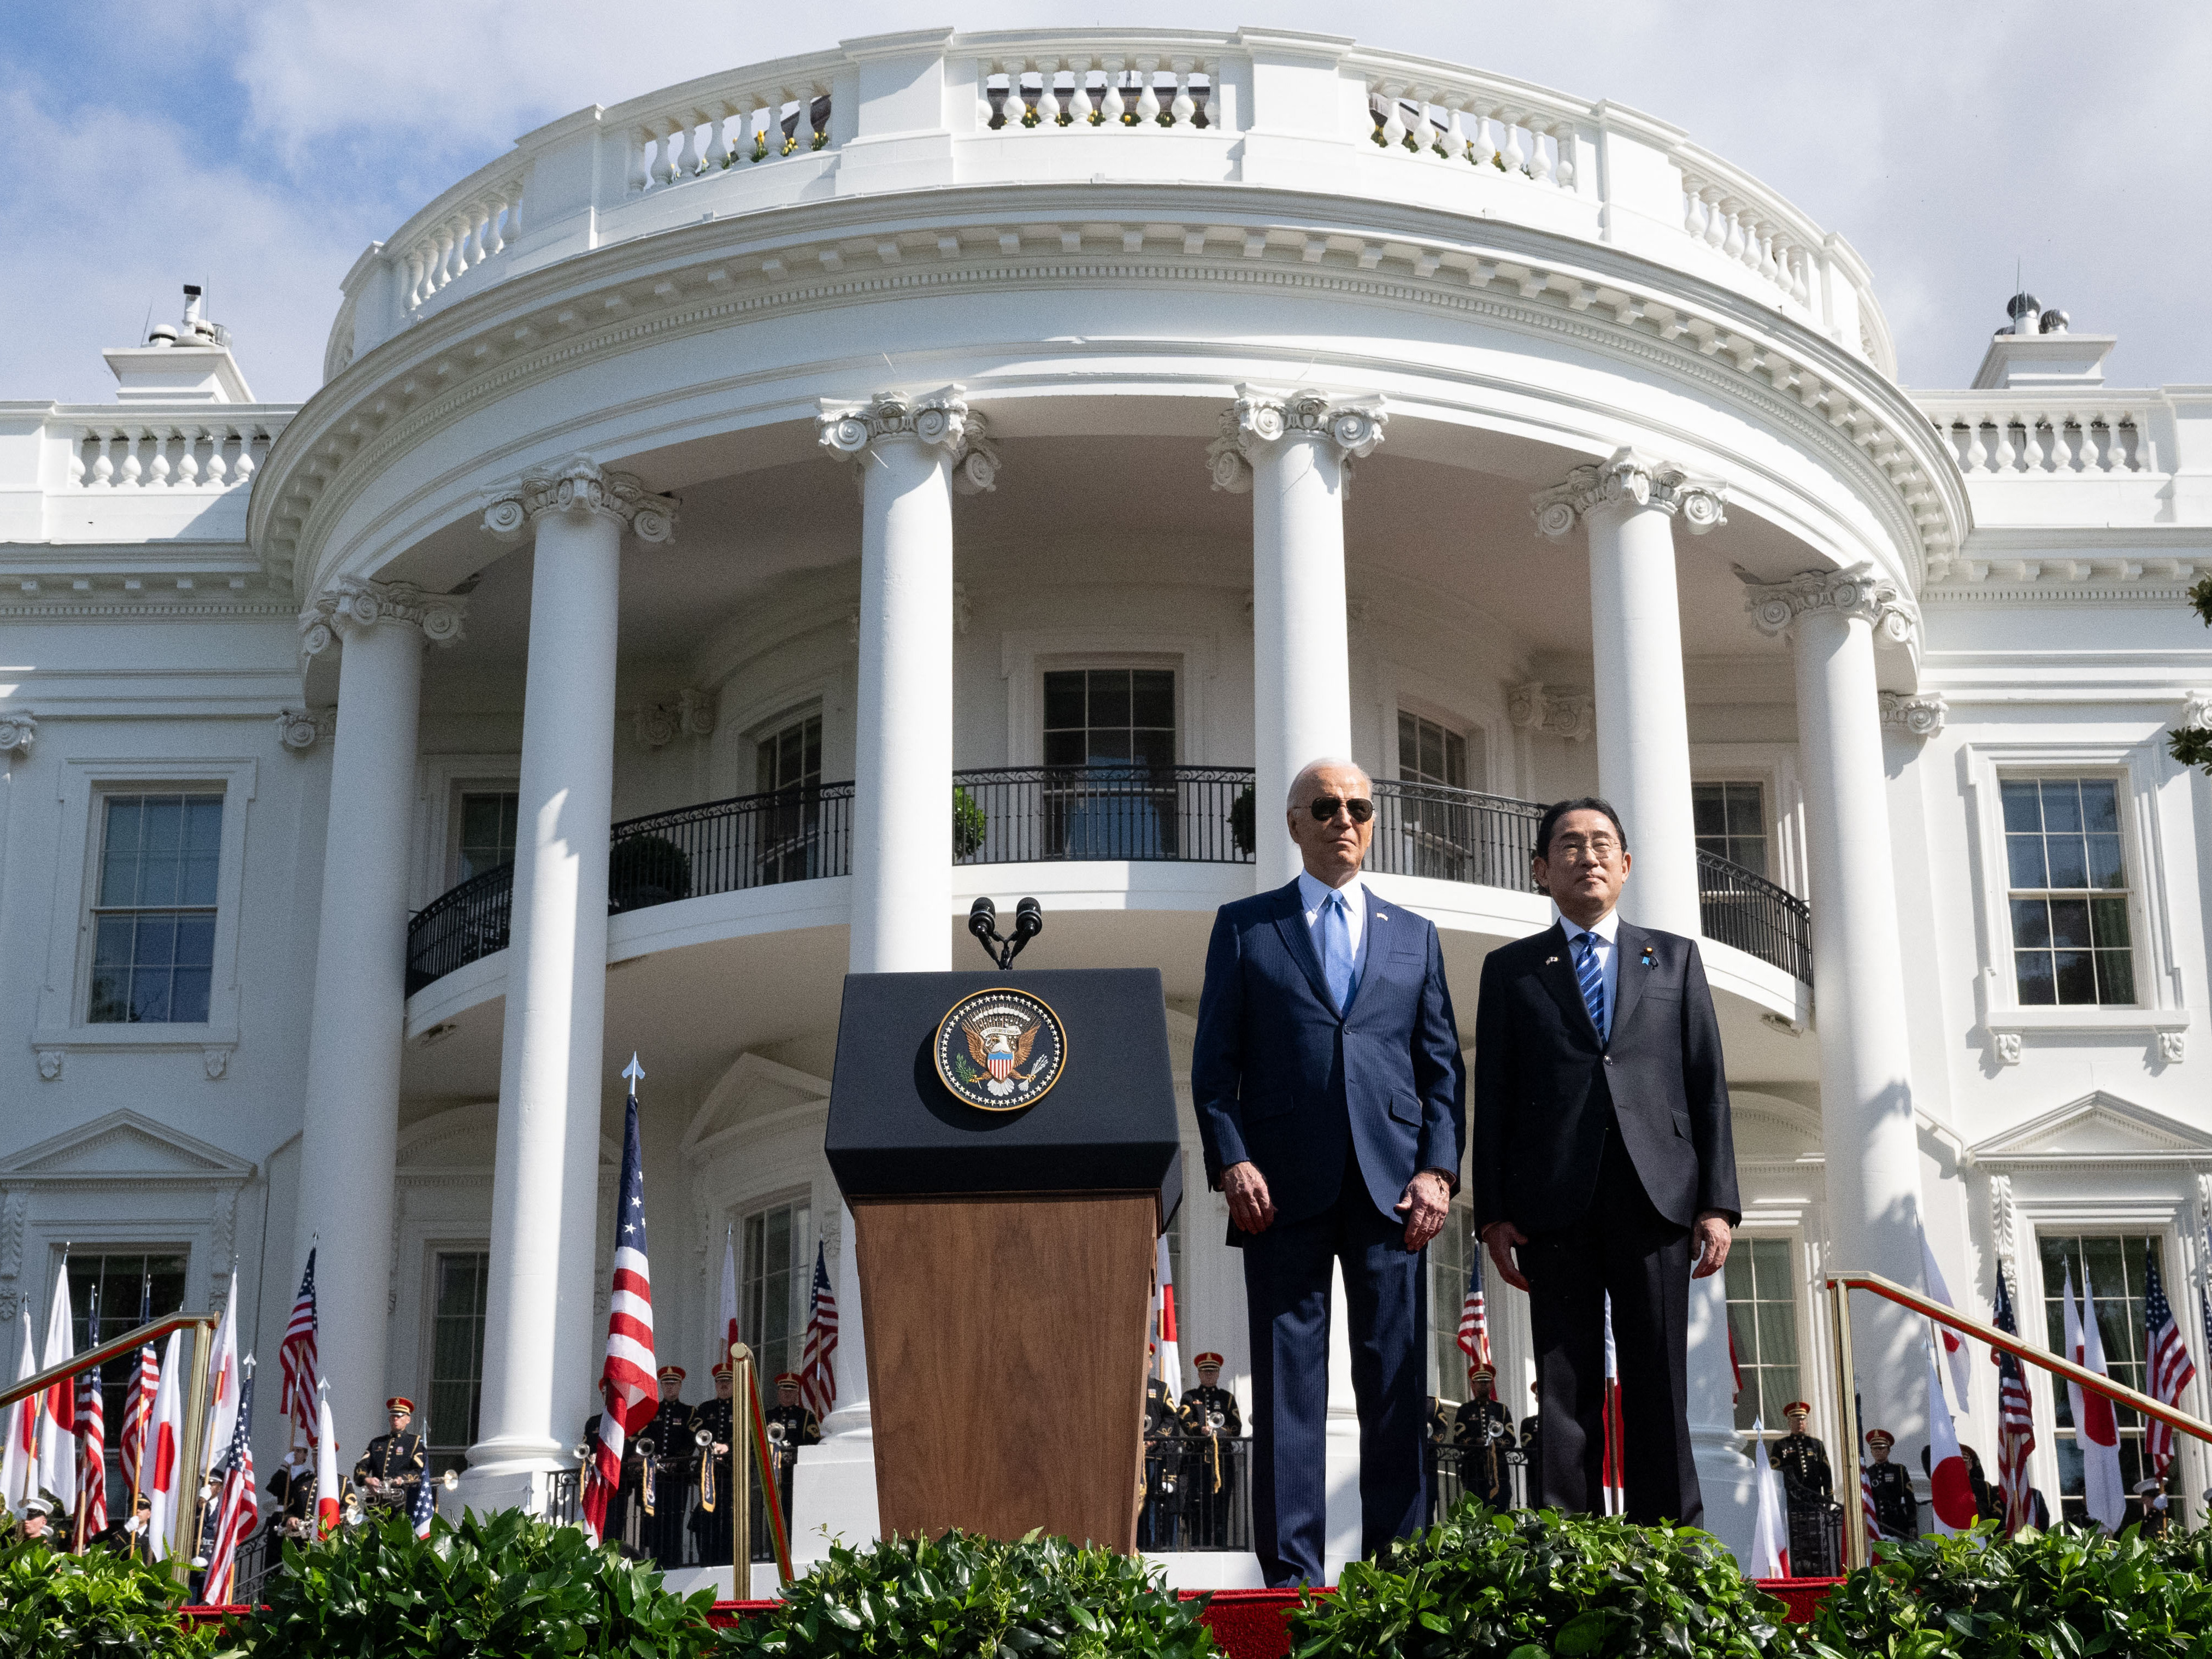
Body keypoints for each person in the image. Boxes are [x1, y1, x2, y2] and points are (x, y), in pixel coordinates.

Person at [1192, 757, 1467, 1586]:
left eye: (1357, 807)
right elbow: (1215, 1069)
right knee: (1287, 1389)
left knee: (1394, 1382)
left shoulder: (1413, 934)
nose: (1342, 819)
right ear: (1295, 824)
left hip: (1393, 1191)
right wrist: (1233, 1157)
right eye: (1324, 807)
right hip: (1279, 1189)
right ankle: (1290, 1577)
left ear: (1371, 820)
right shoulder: (1246, 926)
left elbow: (1441, 1069)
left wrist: (1439, 1172)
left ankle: (1398, 1574)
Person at [1473, 797, 1739, 1525]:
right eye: (1567, 845)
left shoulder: (1674, 958)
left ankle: (1671, 1546)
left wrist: (1717, 1203)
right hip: (1551, 1206)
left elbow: (1706, 1082)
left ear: (1625, 865)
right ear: (1540, 869)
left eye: (1601, 845)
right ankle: (1569, 1543)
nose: (1585, 856)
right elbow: (1491, 1096)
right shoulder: (1512, 970)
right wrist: (1492, 1212)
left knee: (1659, 1379)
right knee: (1565, 1385)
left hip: (1658, 1201)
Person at [1176, 1352, 1243, 1548]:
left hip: (1222, 1460)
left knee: (1221, 1504)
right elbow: (1185, 1421)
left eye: (1213, 1371)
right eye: (1205, 1371)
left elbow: (1236, 1426)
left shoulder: (1227, 1398)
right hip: (1198, 1460)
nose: (1209, 1375)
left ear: (1218, 1373)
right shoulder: (1190, 1397)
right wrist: (1200, 1430)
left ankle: (1221, 1544)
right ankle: (1198, 1544)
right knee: (1197, 1504)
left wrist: (1218, 1433)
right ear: (1199, 1374)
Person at [1774, 1401, 1840, 1576]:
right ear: (1789, 1423)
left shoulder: (1816, 1445)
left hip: (1814, 1502)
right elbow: (1775, 1472)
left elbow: (1826, 1472)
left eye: (1802, 1419)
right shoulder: (1781, 1446)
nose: (1799, 1423)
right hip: (1793, 1503)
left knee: (1818, 1543)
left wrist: (1829, 1497)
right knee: (1797, 1545)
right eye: (1795, 1419)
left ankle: (1820, 1574)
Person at [640, 1366, 693, 1569]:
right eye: (666, 1383)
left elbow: (691, 1442)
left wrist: (678, 1459)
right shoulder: (653, 1410)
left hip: (677, 1476)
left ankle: (673, 1561)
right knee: (654, 1518)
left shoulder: (688, 1412)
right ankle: (655, 1561)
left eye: (673, 1384)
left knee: (674, 1518)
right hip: (655, 1476)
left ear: (680, 1386)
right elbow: (643, 1436)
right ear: (661, 1386)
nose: (670, 1387)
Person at [688, 1361, 737, 1567]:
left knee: (729, 1514)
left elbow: (750, 1434)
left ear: (735, 1383)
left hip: (733, 1472)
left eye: (727, 1381)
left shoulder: (742, 1407)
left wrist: (729, 1448)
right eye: (720, 1382)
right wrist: (705, 1446)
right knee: (707, 1514)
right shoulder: (706, 1408)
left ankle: (727, 1558)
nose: (723, 1385)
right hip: (709, 1473)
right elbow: (694, 1429)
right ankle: (707, 1557)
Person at [762, 1371, 821, 1534]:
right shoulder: (768, 1416)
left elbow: (812, 1442)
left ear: (796, 1394)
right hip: (773, 1474)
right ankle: (774, 1555)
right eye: (784, 1390)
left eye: (791, 1391)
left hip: (795, 1475)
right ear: (779, 1392)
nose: (787, 1394)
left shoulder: (805, 1416)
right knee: (773, 1517)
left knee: (792, 1514)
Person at [354, 1397, 427, 1519]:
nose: (396, 1419)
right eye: (393, 1416)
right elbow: (360, 1467)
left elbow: (419, 1471)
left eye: (399, 1416)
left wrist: (402, 1479)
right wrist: (367, 1480)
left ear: (408, 1419)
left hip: (402, 1504)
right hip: (376, 1504)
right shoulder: (377, 1443)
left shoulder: (414, 1442)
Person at [1458, 1368, 1514, 1510]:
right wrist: (1475, 1442)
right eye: (1480, 1382)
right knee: (1476, 1505)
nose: (1484, 1385)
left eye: (1487, 1382)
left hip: (1498, 1467)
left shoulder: (1501, 1409)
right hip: (1474, 1467)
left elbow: (1511, 1438)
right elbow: (1458, 1439)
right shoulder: (1465, 1410)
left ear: (1492, 1384)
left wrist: (1496, 1443)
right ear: (1473, 1384)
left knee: (1501, 1502)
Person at [1139, 1373, 1184, 1550]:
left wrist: (1157, 1438)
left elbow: (1172, 1417)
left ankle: (1150, 1543)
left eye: (1148, 1360)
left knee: (1150, 1500)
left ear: (1150, 1363)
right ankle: (1136, 1542)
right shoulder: (1128, 1385)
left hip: (1154, 1457)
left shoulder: (1161, 1388)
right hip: (1132, 1457)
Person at [1865, 1429, 1917, 1540]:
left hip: (1897, 1523)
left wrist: (1913, 1524)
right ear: (1871, 1451)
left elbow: (1909, 1498)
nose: (1878, 1451)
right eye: (1875, 1449)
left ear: (1888, 1450)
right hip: (1877, 1524)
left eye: (1882, 1448)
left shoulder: (1899, 1470)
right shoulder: (1868, 1473)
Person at [1518, 1386, 1543, 1509]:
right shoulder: (1528, 1423)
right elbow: (1527, 1447)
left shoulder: (1559, 1422)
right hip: (1535, 1474)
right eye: (1540, 1395)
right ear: (1536, 1398)